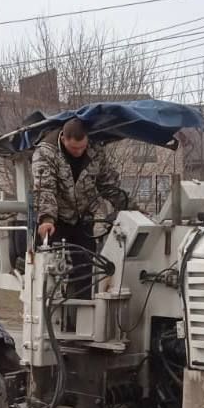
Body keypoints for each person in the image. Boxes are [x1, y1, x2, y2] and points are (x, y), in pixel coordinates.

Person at [31, 117, 132, 298]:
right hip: (57, 218)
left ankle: (82, 310)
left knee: (86, 270)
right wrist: (47, 219)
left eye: (82, 147)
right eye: (73, 148)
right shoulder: (46, 152)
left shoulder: (95, 151)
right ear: (63, 139)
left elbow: (108, 185)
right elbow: (45, 188)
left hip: (84, 217)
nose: (78, 152)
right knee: (51, 268)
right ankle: (50, 305)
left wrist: (132, 209)